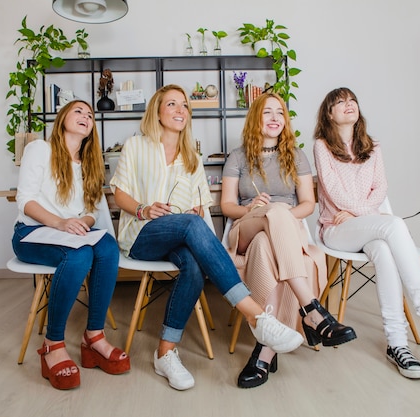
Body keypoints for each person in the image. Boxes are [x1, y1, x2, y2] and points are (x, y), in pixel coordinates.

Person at [110, 84, 304, 391]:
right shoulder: (137, 146)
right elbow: (119, 193)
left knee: (194, 267)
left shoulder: (192, 157)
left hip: (181, 237)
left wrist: (199, 230)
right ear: (157, 112)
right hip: (142, 235)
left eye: (184, 105)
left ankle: (165, 353)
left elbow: (200, 210)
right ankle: (257, 317)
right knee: (189, 224)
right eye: (172, 104)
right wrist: (144, 209)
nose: (180, 110)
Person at [313, 87, 420, 379]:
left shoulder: (373, 146)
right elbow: (334, 192)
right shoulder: (322, 146)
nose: (348, 105)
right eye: (340, 102)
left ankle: (397, 344)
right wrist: (365, 213)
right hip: (336, 229)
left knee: (384, 251)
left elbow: (381, 188)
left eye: (352, 100)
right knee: (395, 224)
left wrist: (361, 213)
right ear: (329, 114)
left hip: (364, 224)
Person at [220, 93, 357, 388]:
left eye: (279, 113)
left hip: (284, 230)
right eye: (267, 112)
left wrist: (280, 217)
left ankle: (265, 350)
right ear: (256, 117)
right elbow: (227, 206)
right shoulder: (237, 156)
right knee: (272, 217)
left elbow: (307, 203)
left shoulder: (297, 156)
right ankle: (312, 309)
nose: (274, 118)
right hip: (246, 226)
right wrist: (254, 208)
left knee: (267, 246)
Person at [12, 100, 129, 390]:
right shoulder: (40, 149)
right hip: (32, 234)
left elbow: (92, 210)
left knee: (107, 248)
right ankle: (52, 344)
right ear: (62, 117)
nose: (86, 117)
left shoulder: (90, 164)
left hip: (71, 235)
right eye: (78, 111)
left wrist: (82, 224)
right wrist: (61, 223)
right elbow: (25, 200)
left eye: (90, 115)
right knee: (79, 256)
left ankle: (94, 336)